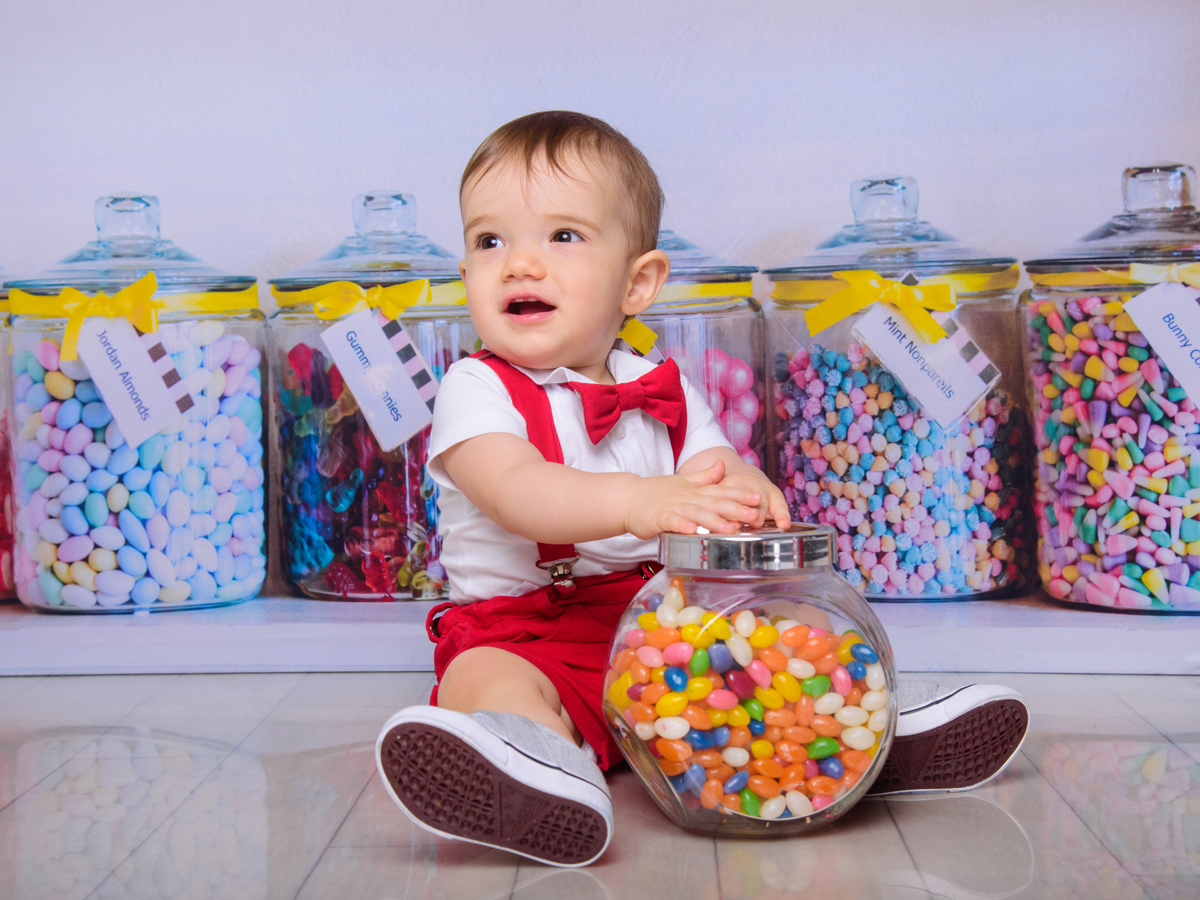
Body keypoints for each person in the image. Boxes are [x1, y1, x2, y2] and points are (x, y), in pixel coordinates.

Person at [375, 111, 1028, 868]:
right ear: (466, 277)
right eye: (490, 241)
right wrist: (639, 502)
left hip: (663, 622)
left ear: (638, 283)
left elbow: (718, 468)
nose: (519, 264)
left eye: (562, 236)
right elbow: (514, 490)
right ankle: (537, 766)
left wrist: (747, 489)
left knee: (774, 638)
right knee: (482, 681)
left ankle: (858, 717)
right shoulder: (473, 386)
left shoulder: (661, 384)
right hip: (524, 629)